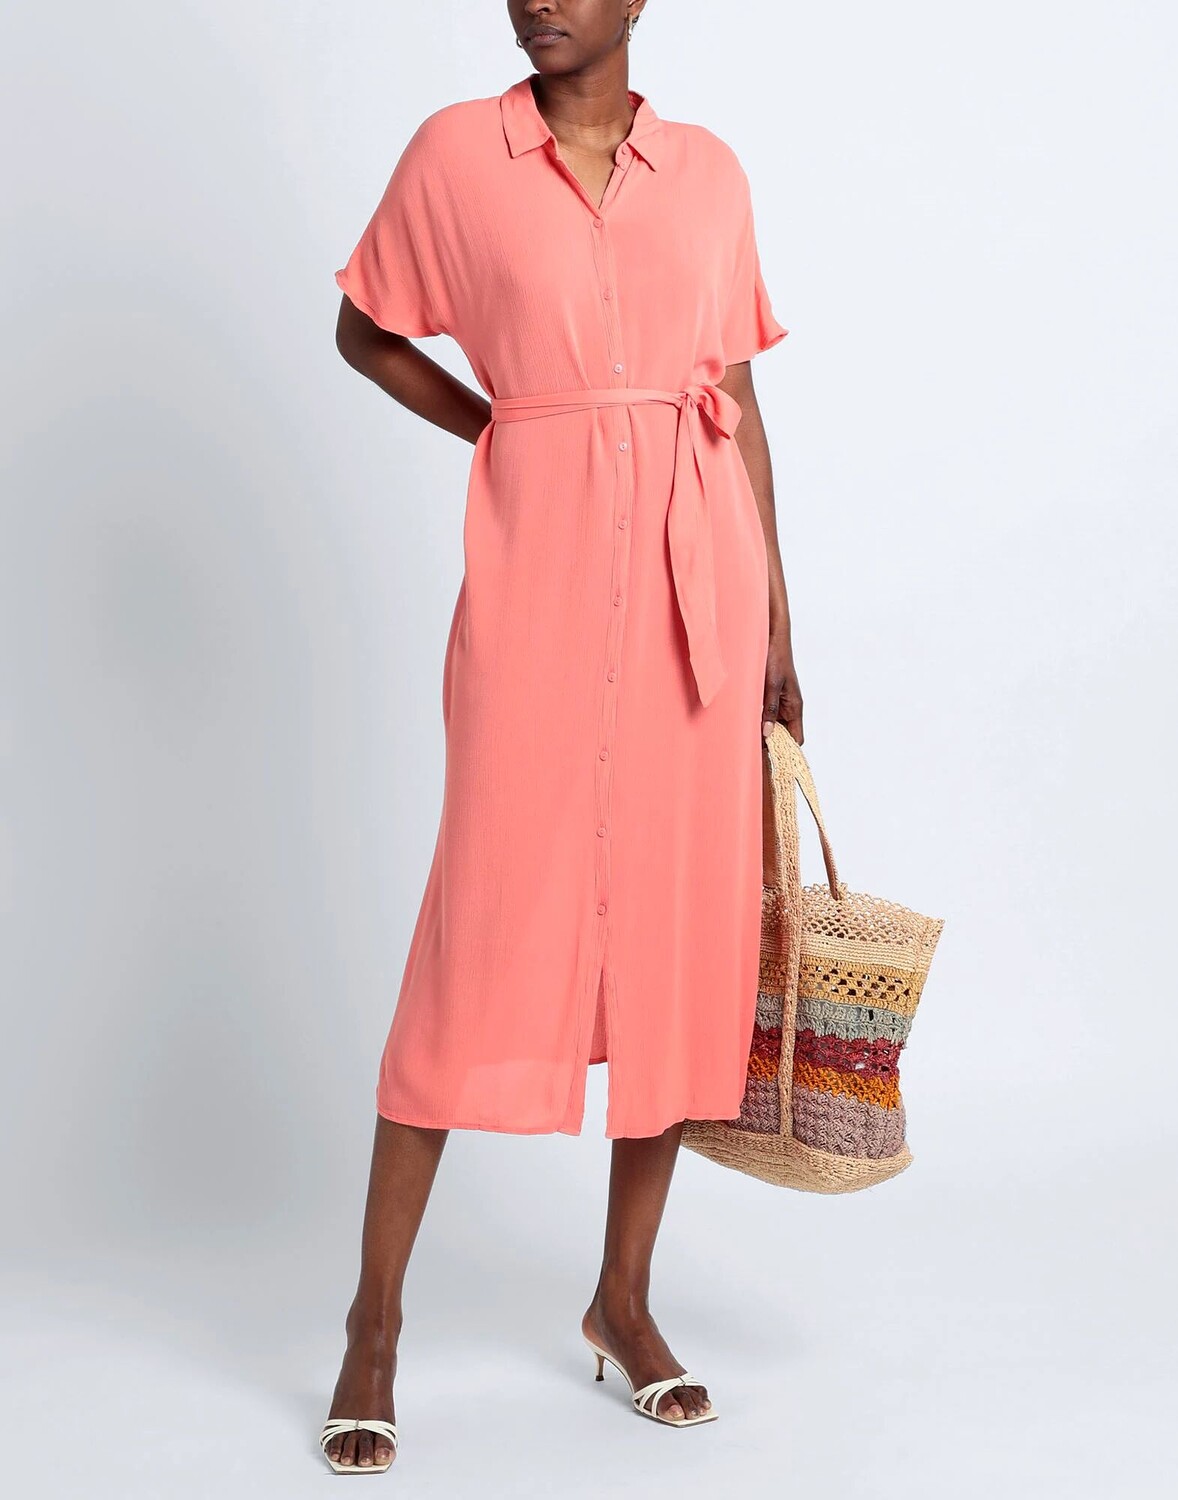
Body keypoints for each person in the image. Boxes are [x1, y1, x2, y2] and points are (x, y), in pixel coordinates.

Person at [321, 0, 803, 1472]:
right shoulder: (454, 158)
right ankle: (373, 1323)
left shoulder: (708, 173)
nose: (540, 0)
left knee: (674, 946)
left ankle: (622, 1300)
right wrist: (503, 426)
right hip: (534, 587)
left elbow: (734, 396)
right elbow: (363, 328)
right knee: (477, 932)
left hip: (696, 604)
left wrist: (779, 627)